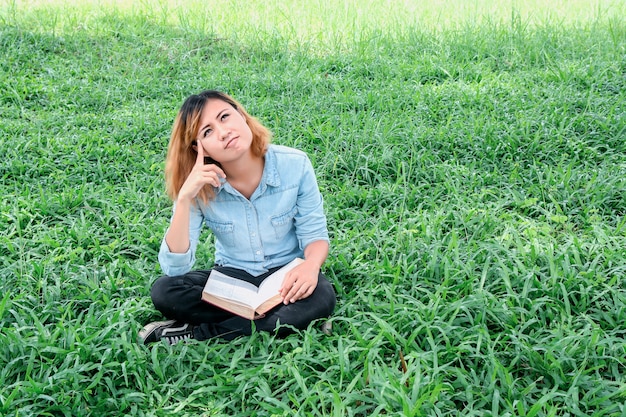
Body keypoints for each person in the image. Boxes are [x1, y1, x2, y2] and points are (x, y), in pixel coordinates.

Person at [139, 90, 337, 345]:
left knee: (323, 296)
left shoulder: (295, 164)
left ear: (242, 116)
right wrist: (185, 198)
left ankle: (197, 333)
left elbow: (315, 234)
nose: (223, 132)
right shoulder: (200, 186)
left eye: (224, 117)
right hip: (233, 280)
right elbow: (175, 269)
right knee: (165, 291)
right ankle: (267, 323)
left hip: (285, 277)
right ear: (198, 148)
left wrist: (310, 267)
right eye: (207, 132)